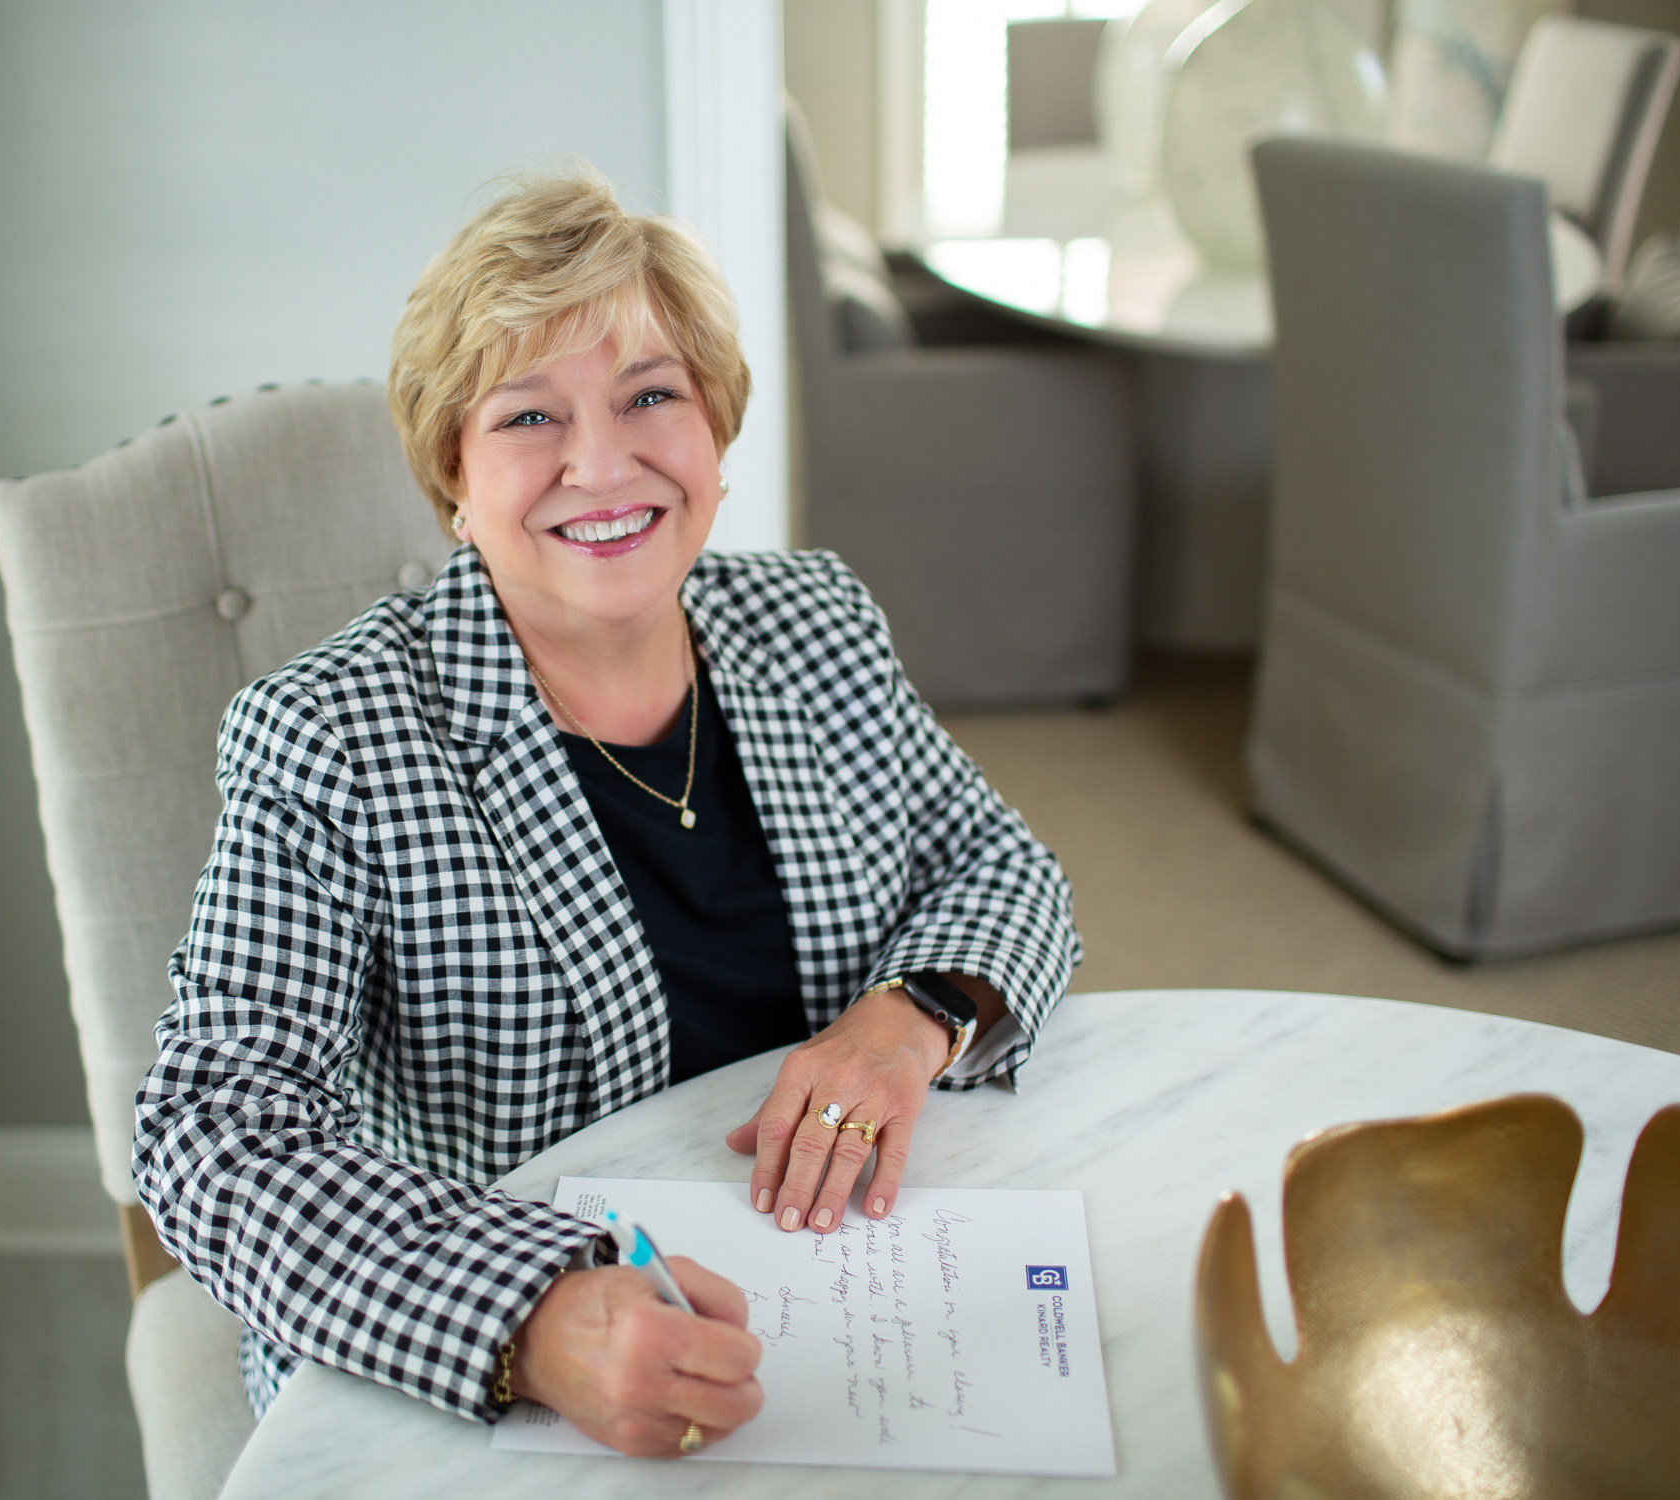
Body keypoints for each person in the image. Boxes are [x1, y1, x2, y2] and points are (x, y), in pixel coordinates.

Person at [134, 164, 1080, 1458]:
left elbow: (998, 863)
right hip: (504, 1351)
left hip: (843, 1275)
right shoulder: (330, 735)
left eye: (650, 396)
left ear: (714, 432)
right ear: (453, 477)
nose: (602, 462)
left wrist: (907, 1018)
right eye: (529, 417)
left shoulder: (814, 617)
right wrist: (530, 1319)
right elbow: (212, 1132)